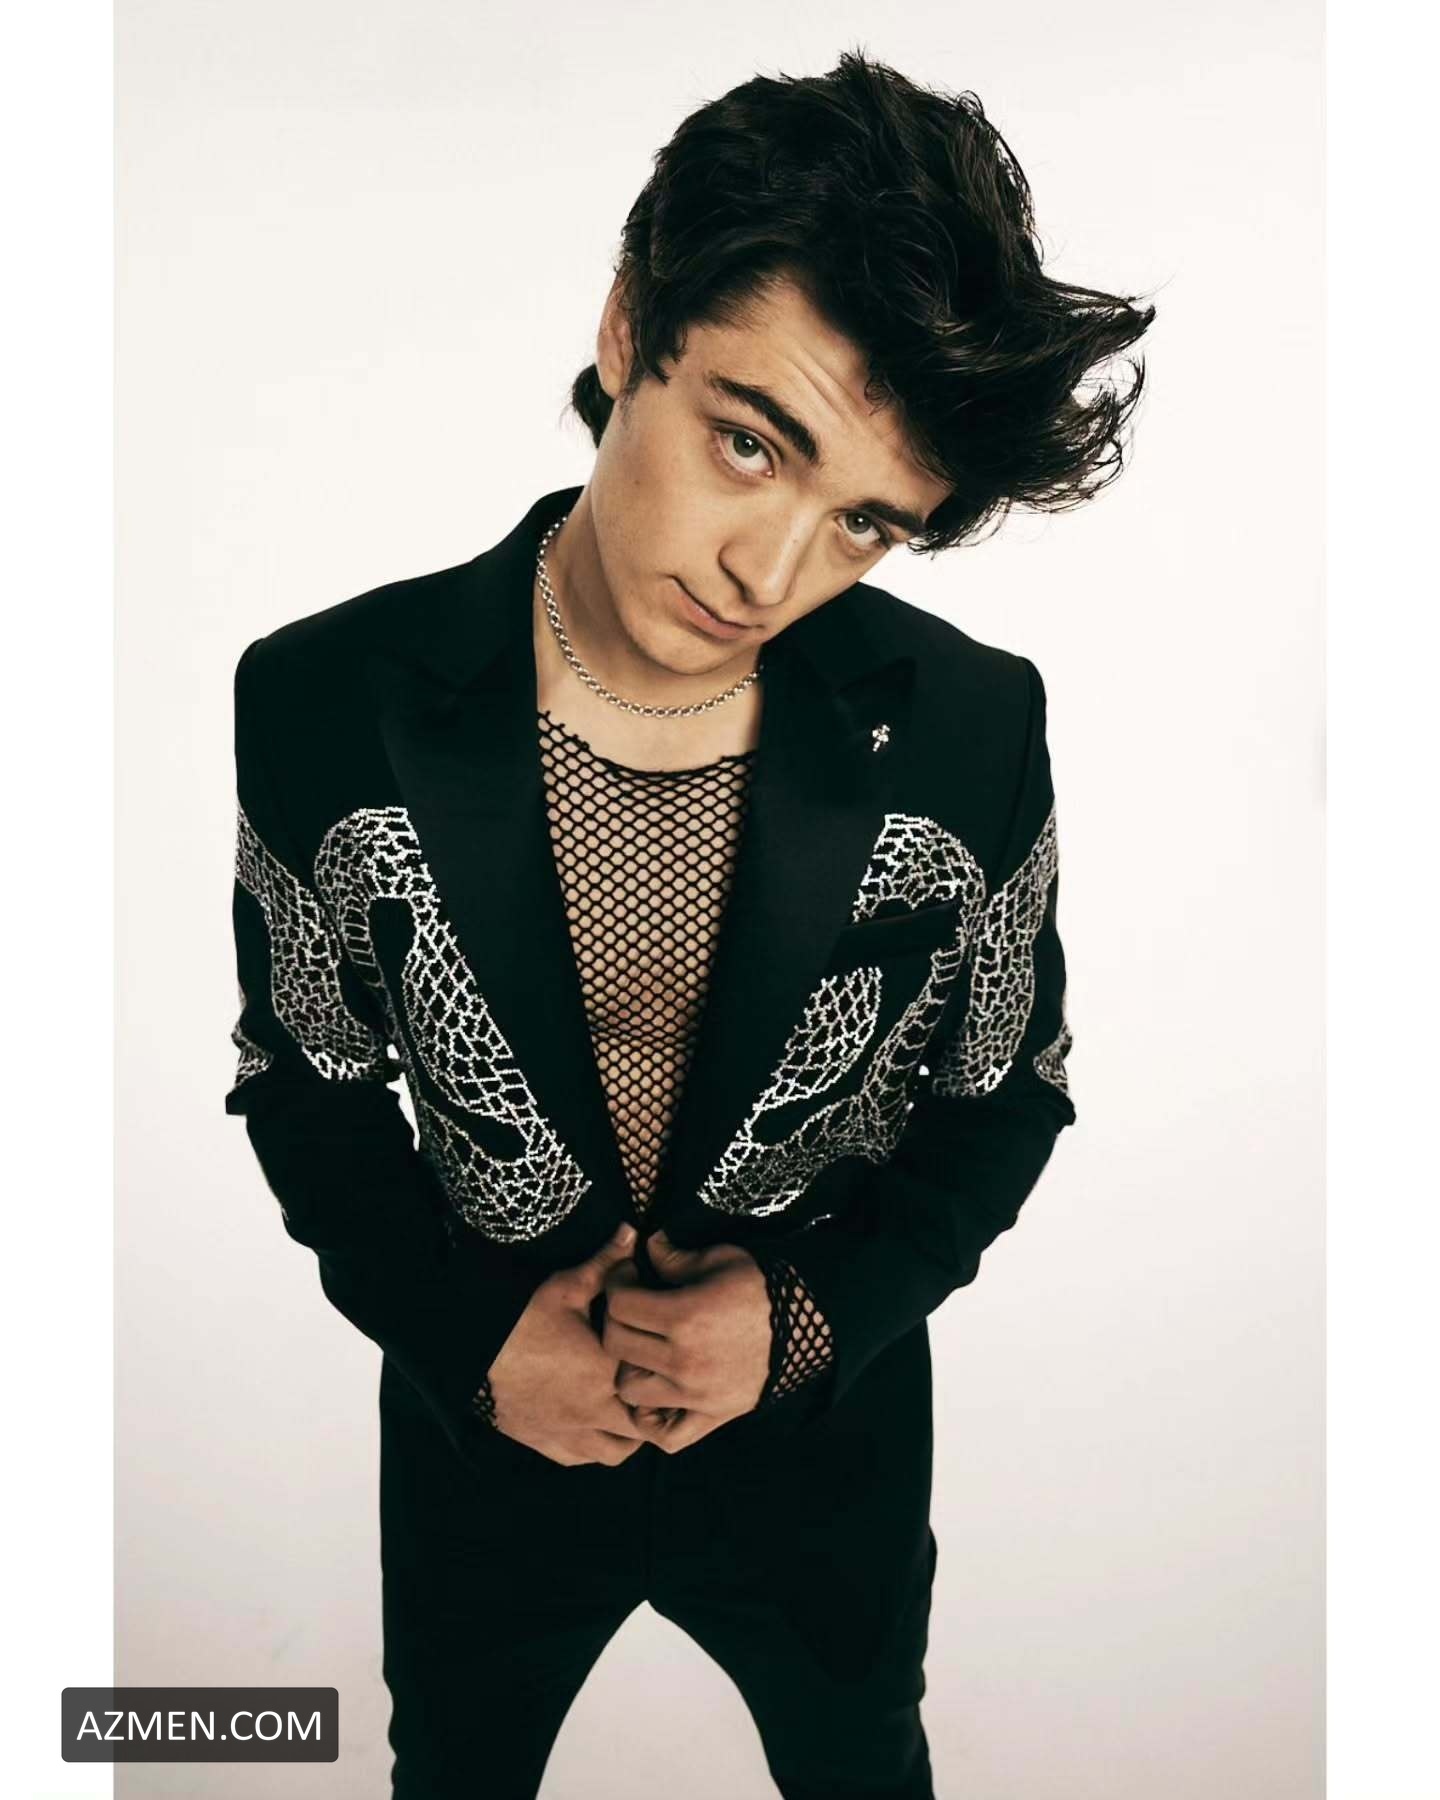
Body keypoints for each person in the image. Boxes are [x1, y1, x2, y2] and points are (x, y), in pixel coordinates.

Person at [225, 49, 1154, 1800]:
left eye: (861, 523)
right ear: (627, 325)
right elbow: (304, 1084)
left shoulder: (969, 728)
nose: (768, 572)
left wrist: (801, 1325)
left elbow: (1009, 1093)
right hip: (489, 1433)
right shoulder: (327, 698)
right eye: (749, 443)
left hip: (822, 1444)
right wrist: (473, 1346)